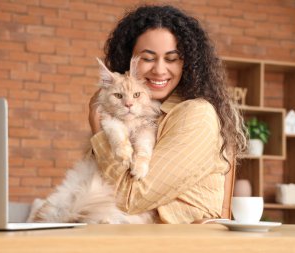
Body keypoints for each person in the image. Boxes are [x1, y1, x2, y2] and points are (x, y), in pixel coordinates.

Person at [88, 5, 247, 224]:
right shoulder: (134, 113)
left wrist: (97, 123)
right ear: (130, 61)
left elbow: (130, 198)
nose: (160, 70)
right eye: (148, 58)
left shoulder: (196, 116)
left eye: (171, 59)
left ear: (188, 63)